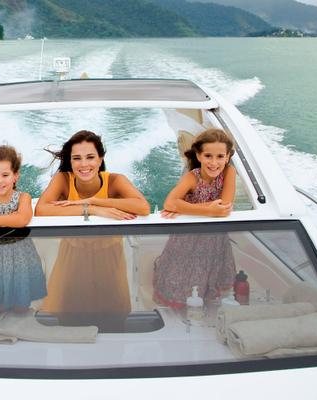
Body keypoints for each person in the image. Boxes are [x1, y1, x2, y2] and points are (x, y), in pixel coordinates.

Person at [36, 130, 150, 330]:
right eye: (77, 158)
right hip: (72, 259)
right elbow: (41, 210)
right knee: (68, 321)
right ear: (70, 161)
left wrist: (96, 199)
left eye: (90, 157)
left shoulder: (115, 181)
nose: (84, 164)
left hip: (110, 259)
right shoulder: (63, 180)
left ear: (100, 159)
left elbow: (143, 207)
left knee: (114, 322)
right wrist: (93, 209)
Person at [153, 128, 238, 308]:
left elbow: (224, 207)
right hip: (187, 241)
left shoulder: (229, 172)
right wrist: (208, 210)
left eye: (220, 156)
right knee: (183, 285)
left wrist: (186, 209)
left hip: (216, 242)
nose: (214, 162)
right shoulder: (192, 177)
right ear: (199, 156)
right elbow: (169, 203)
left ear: (228, 157)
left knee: (211, 286)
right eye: (208, 156)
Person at [0, 145, 46, 311]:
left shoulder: (24, 197)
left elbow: (23, 219)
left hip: (20, 254)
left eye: (5, 175)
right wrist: (10, 218)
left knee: (21, 303)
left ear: (15, 176)